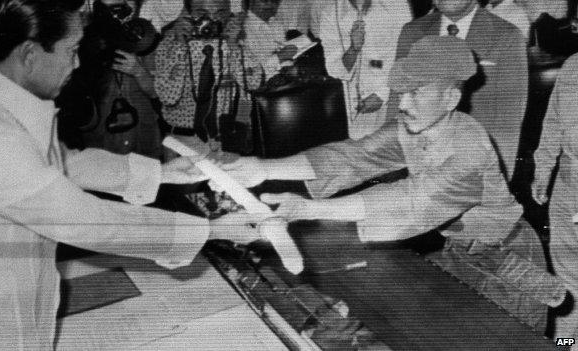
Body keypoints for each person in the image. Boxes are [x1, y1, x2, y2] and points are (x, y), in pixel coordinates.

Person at [0, 0, 261, 348]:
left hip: (11, 292)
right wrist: (209, 230)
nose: (78, 62)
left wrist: (160, 173)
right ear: (30, 55)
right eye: (72, 51)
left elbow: (62, 164)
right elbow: (82, 219)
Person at [221, 35, 564, 331]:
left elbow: (410, 198)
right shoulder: (411, 127)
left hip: (510, 260)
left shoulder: (470, 148)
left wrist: (311, 208)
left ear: (451, 100)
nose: (402, 103)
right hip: (461, 254)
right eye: (402, 92)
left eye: (415, 93)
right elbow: (350, 157)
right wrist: (264, 168)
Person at [388, 0, 527, 182]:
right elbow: (396, 104)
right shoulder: (412, 31)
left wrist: (496, 182)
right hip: (417, 165)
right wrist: (391, 171)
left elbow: (507, 122)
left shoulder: (507, 36)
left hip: (471, 166)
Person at [153, 0, 264, 156]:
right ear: (188, 13)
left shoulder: (235, 42)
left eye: (220, 13)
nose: (211, 20)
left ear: (229, 14)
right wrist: (179, 45)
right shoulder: (170, 44)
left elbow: (254, 84)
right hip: (182, 141)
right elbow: (168, 97)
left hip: (225, 140)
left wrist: (233, 45)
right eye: (202, 13)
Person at [57, 0, 165, 158]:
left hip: (143, 137)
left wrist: (138, 72)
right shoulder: (82, 38)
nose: (119, 14)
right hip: (102, 140)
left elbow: (160, 94)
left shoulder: (148, 36)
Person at [315, 0, 412, 140]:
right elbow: (335, 70)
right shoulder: (331, 13)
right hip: (355, 106)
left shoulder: (397, 5)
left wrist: (383, 94)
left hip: (392, 96)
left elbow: (407, 58)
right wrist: (353, 49)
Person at [532, 54, 578, 343]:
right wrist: (543, 169)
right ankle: (565, 344)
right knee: (567, 280)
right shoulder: (574, 64)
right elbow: (553, 122)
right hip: (567, 185)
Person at [242, 0, 312, 79]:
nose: (270, 5)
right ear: (251, 2)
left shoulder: (276, 24)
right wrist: (279, 57)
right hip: (261, 88)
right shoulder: (243, 29)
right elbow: (249, 74)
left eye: (275, 1)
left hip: (287, 82)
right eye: (264, 1)